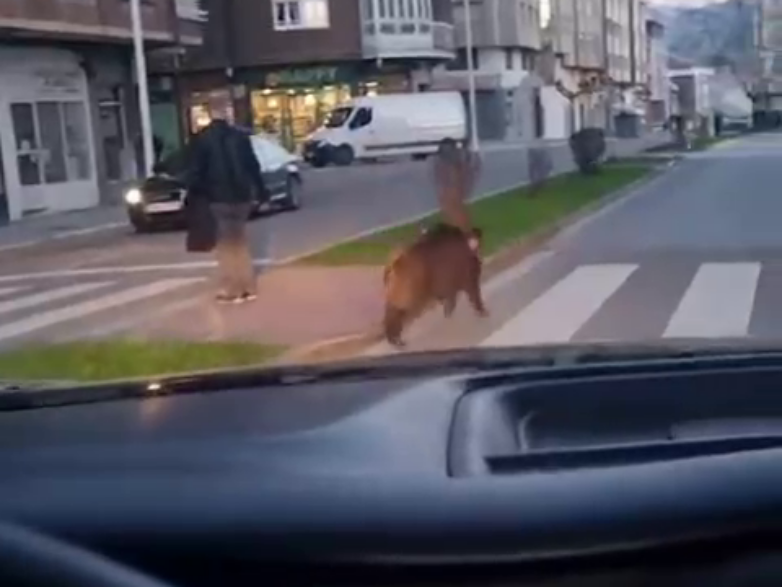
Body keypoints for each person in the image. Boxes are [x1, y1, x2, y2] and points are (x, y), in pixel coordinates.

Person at [186, 118, 269, 304]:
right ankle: (248, 287)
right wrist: (261, 192)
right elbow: (253, 166)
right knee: (240, 241)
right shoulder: (241, 138)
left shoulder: (203, 140)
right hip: (242, 197)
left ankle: (232, 289)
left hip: (218, 198)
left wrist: (197, 193)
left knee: (225, 245)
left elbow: (196, 172)